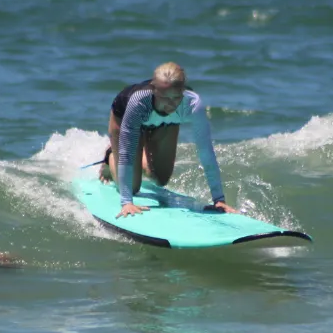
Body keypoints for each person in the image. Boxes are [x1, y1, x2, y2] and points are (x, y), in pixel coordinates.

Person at [98, 62, 238, 218]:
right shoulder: (138, 101)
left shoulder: (191, 104)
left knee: (160, 178)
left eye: (176, 98)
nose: (170, 105)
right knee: (132, 187)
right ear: (153, 89)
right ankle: (111, 155)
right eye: (164, 98)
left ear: (183, 91)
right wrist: (127, 202)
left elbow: (206, 152)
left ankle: (141, 153)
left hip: (165, 123)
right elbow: (126, 153)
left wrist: (219, 199)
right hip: (125, 116)